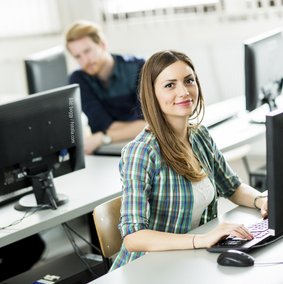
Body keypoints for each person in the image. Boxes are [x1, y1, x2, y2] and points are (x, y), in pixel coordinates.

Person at [110, 50, 268, 270]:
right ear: (152, 93)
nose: (184, 92)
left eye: (189, 81)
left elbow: (232, 187)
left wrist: (262, 200)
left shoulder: (199, 135)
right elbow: (133, 237)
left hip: (189, 259)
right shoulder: (142, 152)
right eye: (169, 85)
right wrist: (201, 240)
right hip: (150, 268)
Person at [65, 20, 146, 154]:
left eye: (87, 51)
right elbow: (105, 124)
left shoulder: (138, 67)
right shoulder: (78, 79)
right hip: (105, 149)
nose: (85, 61)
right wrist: (133, 128)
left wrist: (103, 137)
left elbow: (150, 125)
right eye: (78, 56)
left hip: (142, 145)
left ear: (102, 44)